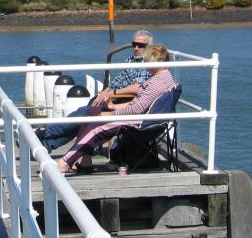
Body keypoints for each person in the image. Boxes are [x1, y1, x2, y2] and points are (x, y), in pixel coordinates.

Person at [56, 43, 177, 174]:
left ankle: (64, 162)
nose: (145, 64)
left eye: (147, 61)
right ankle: (85, 159)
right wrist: (113, 106)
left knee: (97, 129)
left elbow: (137, 109)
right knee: (92, 112)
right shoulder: (162, 77)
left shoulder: (158, 83)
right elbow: (138, 103)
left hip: (140, 122)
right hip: (140, 116)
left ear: (154, 62)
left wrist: (112, 114)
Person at [38, 30, 154, 152]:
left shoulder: (148, 64)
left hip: (125, 104)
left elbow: (137, 88)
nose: (136, 48)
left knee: (85, 113)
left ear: (149, 47)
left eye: (140, 45)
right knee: (86, 113)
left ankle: (46, 133)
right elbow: (118, 81)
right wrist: (105, 92)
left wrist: (111, 94)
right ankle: (46, 144)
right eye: (134, 44)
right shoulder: (131, 60)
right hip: (114, 98)